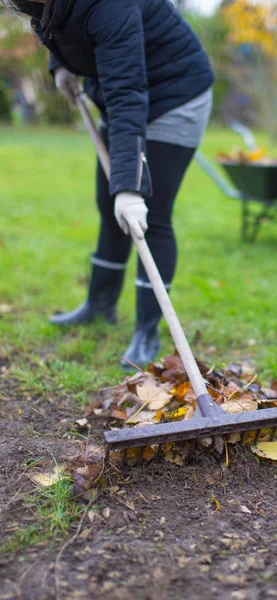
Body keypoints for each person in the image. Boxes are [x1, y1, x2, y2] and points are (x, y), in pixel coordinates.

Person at [10, 0, 214, 368]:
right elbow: (57, 27)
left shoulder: (111, 4)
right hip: (121, 93)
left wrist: (131, 188)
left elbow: (126, 95)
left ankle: (147, 330)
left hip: (174, 94)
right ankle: (100, 304)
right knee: (109, 205)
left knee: (150, 212)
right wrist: (60, 66)